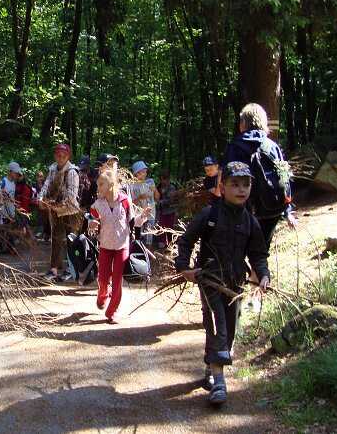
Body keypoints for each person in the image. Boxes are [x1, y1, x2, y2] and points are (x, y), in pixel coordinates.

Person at [175, 161, 270, 406]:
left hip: (235, 285)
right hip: (210, 281)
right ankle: (219, 382)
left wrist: (263, 275)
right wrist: (184, 268)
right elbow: (186, 241)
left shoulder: (250, 222)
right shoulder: (210, 215)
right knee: (217, 324)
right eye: (234, 184)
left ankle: (211, 365)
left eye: (245, 184)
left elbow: (258, 254)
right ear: (222, 187)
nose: (241, 189)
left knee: (230, 328)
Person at [222, 103, 296, 248]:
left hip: (243, 211)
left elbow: (226, 179)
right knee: (261, 251)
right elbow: (284, 177)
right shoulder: (272, 146)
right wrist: (287, 211)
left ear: (243, 123)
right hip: (272, 209)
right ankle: (258, 263)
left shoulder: (234, 147)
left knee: (238, 251)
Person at [88, 170, 152, 323]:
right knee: (103, 278)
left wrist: (143, 216)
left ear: (111, 184)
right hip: (105, 246)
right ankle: (102, 295)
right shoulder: (97, 205)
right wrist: (91, 224)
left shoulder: (125, 201)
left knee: (117, 281)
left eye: (101, 184)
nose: (98, 188)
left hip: (122, 246)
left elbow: (133, 222)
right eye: (98, 185)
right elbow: (90, 224)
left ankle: (112, 312)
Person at [37, 144, 81, 282]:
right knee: (56, 240)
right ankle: (53, 270)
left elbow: (72, 195)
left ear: (68, 156)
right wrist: (41, 199)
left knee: (71, 240)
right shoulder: (52, 169)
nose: (60, 158)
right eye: (58, 155)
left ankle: (71, 269)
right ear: (55, 156)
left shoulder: (72, 172)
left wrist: (59, 206)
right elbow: (46, 186)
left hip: (70, 212)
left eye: (63, 155)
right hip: (56, 210)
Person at [129, 161, 160, 247]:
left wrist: (154, 190)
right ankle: (137, 251)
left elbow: (157, 197)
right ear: (137, 173)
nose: (145, 173)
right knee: (138, 234)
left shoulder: (150, 182)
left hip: (151, 213)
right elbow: (130, 203)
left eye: (146, 171)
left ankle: (147, 253)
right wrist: (140, 198)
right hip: (138, 214)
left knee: (149, 235)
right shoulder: (131, 185)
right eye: (143, 171)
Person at [156, 170, 179, 249]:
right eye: (161, 179)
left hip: (170, 211)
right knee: (161, 226)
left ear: (168, 179)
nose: (163, 181)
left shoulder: (171, 187)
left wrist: (161, 202)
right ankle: (162, 242)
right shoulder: (159, 187)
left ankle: (170, 243)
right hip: (162, 211)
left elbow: (171, 200)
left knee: (170, 228)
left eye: (165, 179)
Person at [34, 170, 51, 241]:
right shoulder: (34, 185)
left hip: (45, 205)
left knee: (47, 220)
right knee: (39, 218)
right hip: (38, 205)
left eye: (41, 176)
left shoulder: (46, 185)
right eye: (38, 176)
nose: (40, 178)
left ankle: (47, 235)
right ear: (36, 177)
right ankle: (40, 233)